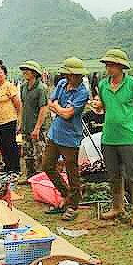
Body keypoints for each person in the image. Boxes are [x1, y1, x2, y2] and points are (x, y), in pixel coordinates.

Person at [92, 49, 133, 226]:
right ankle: (117, 207)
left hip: (129, 137)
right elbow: (105, 107)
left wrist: (130, 124)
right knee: (113, 174)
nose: (108, 67)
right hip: (109, 137)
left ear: (121, 67)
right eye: (107, 64)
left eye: (112, 64)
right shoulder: (102, 85)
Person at [41, 57, 90, 222]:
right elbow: (51, 102)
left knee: (72, 171)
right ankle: (66, 195)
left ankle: (73, 205)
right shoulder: (62, 84)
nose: (75, 77)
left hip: (70, 138)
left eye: (78, 75)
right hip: (55, 134)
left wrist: (58, 108)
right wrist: (60, 108)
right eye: (72, 74)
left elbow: (68, 114)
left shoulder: (83, 92)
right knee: (47, 165)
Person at [18, 60, 49, 181]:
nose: (24, 72)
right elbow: (23, 105)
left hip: (38, 127)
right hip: (26, 125)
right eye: (24, 70)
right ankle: (29, 176)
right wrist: (20, 123)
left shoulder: (41, 88)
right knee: (27, 152)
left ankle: (42, 178)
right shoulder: (23, 87)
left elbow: (43, 109)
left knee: (40, 153)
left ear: (35, 73)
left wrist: (37, 128)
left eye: (28, 70)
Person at [0, 64, 22, 176]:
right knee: (1, 144)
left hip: (9, 120)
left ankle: (15, 169)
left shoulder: (9, 86)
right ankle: (7, 166)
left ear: (5, 74)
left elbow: (18, 104)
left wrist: (19, 119)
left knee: (10, 144)